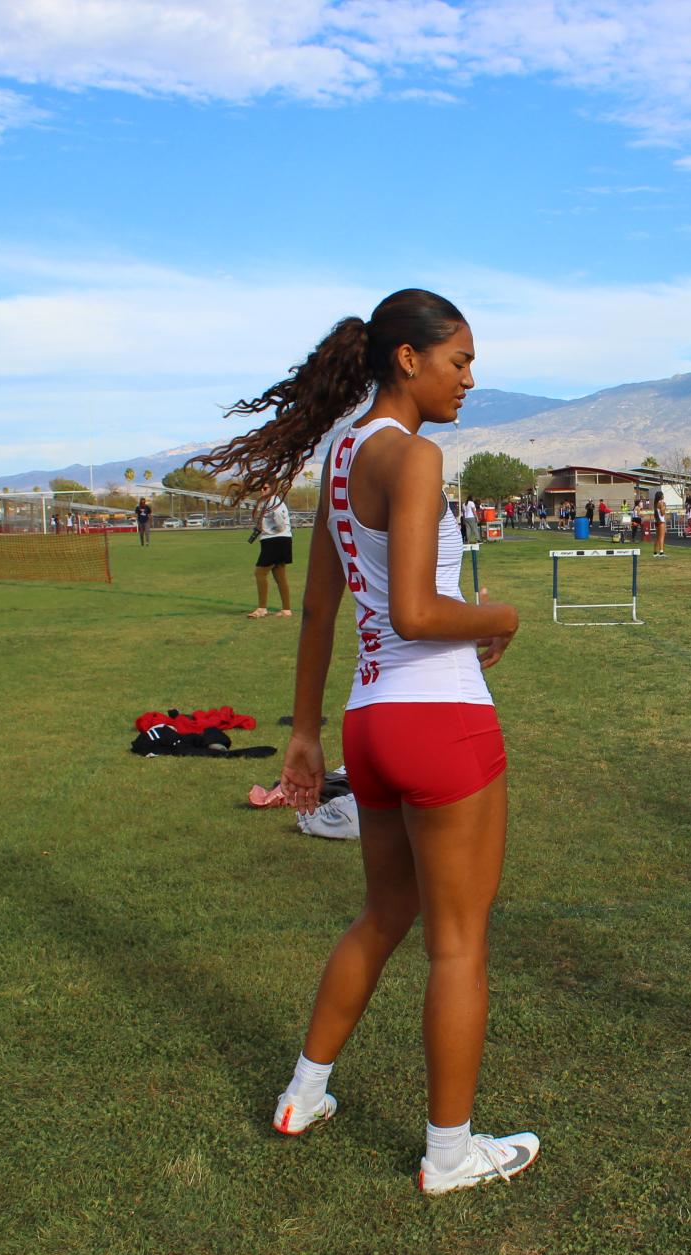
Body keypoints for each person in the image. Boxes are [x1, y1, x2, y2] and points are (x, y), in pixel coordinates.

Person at [199, 289, 535, 1196]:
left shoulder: (342, 457)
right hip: (441, 718)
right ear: (407, 360)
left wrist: (305, 733)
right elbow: (420, 612)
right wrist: (502, 613)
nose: (469, 379)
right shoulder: (414, 456)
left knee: (385, 915)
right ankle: (450, 1152)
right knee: (458, 942)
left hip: (370, 721)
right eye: (459, 361)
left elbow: (318, 610)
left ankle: (304, 1092)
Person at [249, 486, 294, 619]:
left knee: (260, 572)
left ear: (273, 488)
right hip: (280, 540)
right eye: (261, 488)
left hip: (275, 541)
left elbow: (280, 521)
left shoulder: (274, 503)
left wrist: (272, 531)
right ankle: (286, 610)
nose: (262, 490)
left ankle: (262, 608)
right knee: (279, 575)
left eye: (265, 488)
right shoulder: (269, 502)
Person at [651, 488, 668, 557]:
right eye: (663, 495)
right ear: (661, 496)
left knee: (657, 537)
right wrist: (664, 506)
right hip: (661, 521)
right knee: (661, 537)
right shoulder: (661, 503)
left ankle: (655, 552)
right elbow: (662, 513)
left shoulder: (656, 503)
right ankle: (661, 552)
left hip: (657, 521)